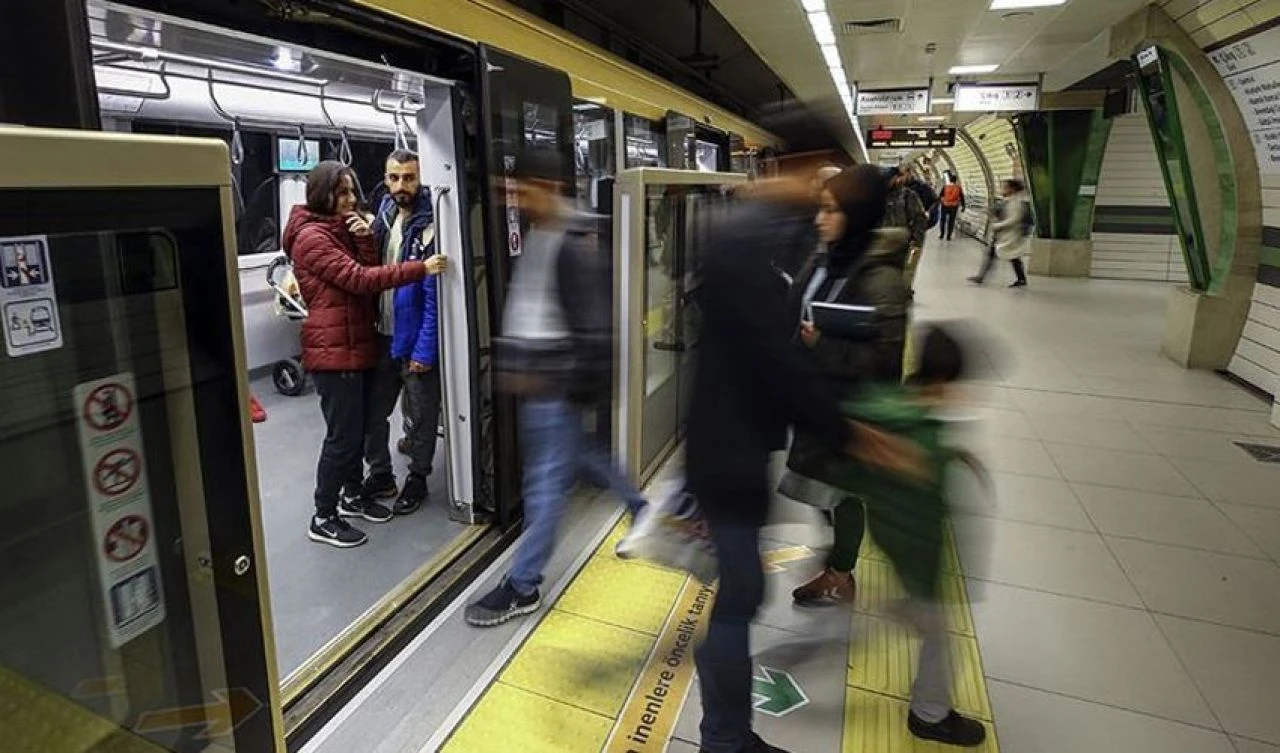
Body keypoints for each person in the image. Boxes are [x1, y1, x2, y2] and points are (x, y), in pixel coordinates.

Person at [687, 166, 923, 753]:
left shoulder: (851, 273)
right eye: (813, 202)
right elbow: (782, 359)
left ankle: (725, 730)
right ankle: (725, 737)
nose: (817, 215)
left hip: (737, 447)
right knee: (739, 598)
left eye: (830, 207)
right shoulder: (765, 259)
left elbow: (812, 357)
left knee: (740, 595)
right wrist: (845, 428)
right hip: (731, 455)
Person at [465, 149, 646, 627]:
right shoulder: (545, 233)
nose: (514, 198)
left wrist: (562, 382)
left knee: (544, 484)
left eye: (521, 188)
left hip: (555, 381)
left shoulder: (573, 241)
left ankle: (523, 586)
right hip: (541, 375)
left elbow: (592, 326)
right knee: (580, 455)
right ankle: (641, 507)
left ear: (548, 188)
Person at [823, 324, 988, 747]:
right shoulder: (922, 437)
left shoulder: (888, 403)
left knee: (923, 616)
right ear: (943, 380)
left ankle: (901, 610)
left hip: (886, 531)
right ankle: (929, 714)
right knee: (939, 631)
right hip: (915, 547)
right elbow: (927, 508)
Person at [283, 161, 440, 548]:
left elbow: (364, 275)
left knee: (355, 433)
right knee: (342, 437)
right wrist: (420, 267)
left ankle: (352, 495)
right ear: (322, 194)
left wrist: (365, 240)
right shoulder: (312, 237)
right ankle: (323, 515)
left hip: (355, 344)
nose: (351, 200)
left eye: (353, 191)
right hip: (333, 349)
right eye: (342, 193)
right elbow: (358, 279)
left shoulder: (340, 230)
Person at [783, 167, 910, 607]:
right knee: (825, 489)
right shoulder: (828, 258)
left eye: (831, 210)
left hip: (851, 407)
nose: (820, 218)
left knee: (843, 492)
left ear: (857, 214)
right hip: (816, 396)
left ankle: (840, 572)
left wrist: (823, 345)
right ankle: (839, 556)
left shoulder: (882, 282)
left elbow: (884, 363)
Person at [358, 149, 448, 516]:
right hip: (382, 334)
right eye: (394, 178)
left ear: (420, 178)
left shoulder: (432, 222)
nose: (400, 186)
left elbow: (433, 295)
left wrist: (425, 351)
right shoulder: (384, 212)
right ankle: (380, 473)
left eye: (408, 178)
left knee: (423, 416)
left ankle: (417, 478)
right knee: (373, 413)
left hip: (413, 339)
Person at [969, 178, 1031, 288]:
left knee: (1012, 256)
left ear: (1012, 189)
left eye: (1005, 187)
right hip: (1004, 234)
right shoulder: (1010, 200)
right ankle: (982, 276)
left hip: (1010, 234)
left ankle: (1020, 279)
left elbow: (1014, 218)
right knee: (1002, 255)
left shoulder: (1016, 202)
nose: (1002, 189)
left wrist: (998, 225)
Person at [881, 167, 927, 292]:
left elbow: (920, 218)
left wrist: (916, 239)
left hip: (903, 241)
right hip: (881, 241)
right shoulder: (878, 195)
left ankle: (903, 291)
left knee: (905, 269)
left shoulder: (908, 195)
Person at [938, 171, 966, 241]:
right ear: (956, 180)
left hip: (945, 205)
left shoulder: (945, 187)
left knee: (943, 220)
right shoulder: (958, 188)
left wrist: (940, 203)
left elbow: (940, 196)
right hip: (954, 206)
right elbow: (962, 197)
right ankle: (948, 236)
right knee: (951, 221)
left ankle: (942, 234)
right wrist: (963, 206)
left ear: (950, 180)